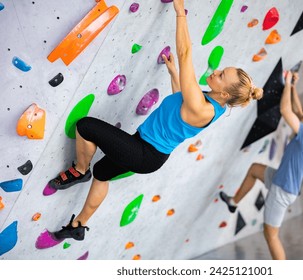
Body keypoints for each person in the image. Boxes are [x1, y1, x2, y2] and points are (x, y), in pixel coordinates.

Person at [48, 0, 263, 242]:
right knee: (102, 172)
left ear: (225, 94)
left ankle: (79, 170)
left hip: (145, 154)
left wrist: (180, 13)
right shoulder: (209, 103)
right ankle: (78, 226)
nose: (216, 72)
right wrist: (173, 74)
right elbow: (181, 105)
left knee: (86, 126)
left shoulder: (203, 108)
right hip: (145, 147)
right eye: (222, 70)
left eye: (222, 75)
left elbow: (185, 54)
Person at [220, 71, 303, 260]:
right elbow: (297, 111)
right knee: (255, 169)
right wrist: (294, 87)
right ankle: (234, 202)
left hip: (282, 190)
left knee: (271, 236)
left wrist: (287, 83)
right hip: (281, 179)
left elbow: (286, 111)